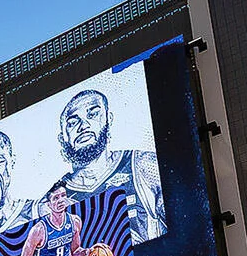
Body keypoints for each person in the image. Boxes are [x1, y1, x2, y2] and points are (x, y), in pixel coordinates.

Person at [55, 88, 165, 244]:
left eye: (93, 114)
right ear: (62, 138)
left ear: (108, 119)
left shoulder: (143, 164)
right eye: (72, 123)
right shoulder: (52, 200)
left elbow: (184, 231)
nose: (83, 125)